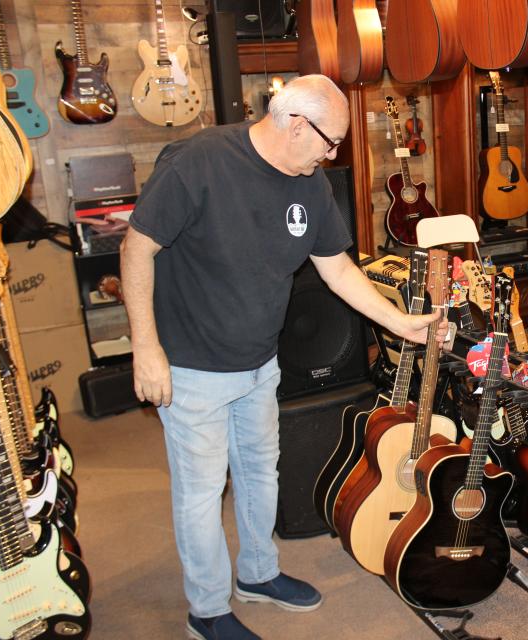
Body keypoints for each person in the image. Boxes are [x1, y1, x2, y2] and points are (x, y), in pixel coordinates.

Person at [120, 74, 446, 640]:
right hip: (192, 366)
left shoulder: (310, 184)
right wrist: (145, 348)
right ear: (296, 124)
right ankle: (207, 609)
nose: (333, 153)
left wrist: (399, 323)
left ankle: (258, 573)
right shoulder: (197, 163)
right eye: (330, 140)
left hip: (259, 362)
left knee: (258, 473)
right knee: (200, 493)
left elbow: (338, 267)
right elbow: (136, 247)